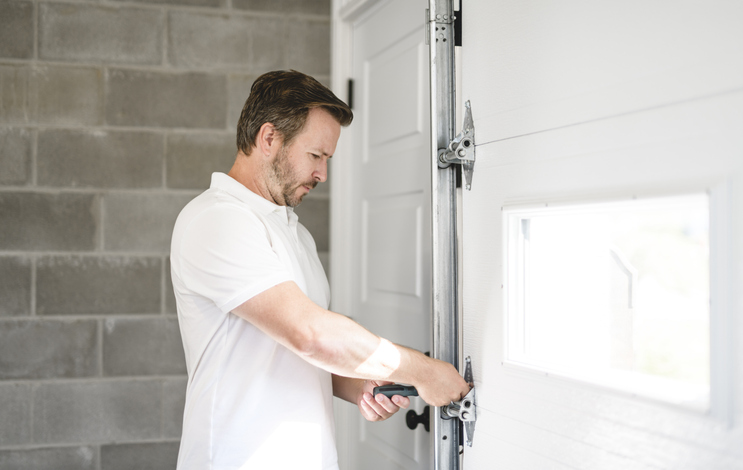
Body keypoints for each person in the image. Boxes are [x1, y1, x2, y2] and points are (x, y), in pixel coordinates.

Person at [170, 70, 470, 470]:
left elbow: (296, 355)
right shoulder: (218, 220)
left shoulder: (293, 232)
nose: (322, 175)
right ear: (269, 138)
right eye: (316, 156)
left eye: (327, 159)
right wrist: (423, 371)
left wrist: (360, 385)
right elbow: (310, 335)